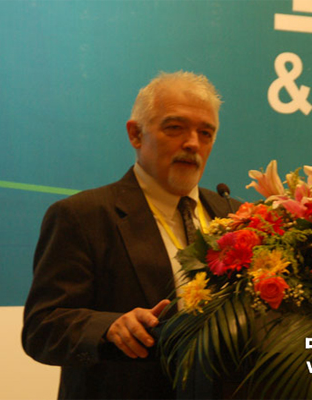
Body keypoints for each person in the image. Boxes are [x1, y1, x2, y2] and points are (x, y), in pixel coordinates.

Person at [22, 71, 240, 399]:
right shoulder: (82, 216)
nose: (192, 143)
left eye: (205, 133)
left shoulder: (236, 216)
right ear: (136, 134)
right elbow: (43, 328)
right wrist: (108, 328)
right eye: (175, 127)